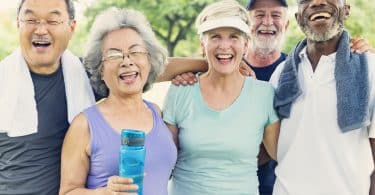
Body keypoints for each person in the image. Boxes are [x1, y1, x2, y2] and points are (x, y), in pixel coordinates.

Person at [163, 1, 280, 194]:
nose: (224, 46)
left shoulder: (264, 94)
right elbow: (164, 160)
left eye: (233, 37)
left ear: (245, 44)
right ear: (203, 44)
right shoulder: (180, 90)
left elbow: (280, 152)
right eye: (215, 37)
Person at [59, 7, 177, 195]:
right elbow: (67, 192)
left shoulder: (157, 112)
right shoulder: (84, 125)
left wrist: (205, 66)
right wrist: (103, 193)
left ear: (149, 60)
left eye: (136, 51)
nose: (127, 61)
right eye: (114, 55)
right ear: (100, 70)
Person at [269, 0, 375, 194]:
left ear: (346, 11)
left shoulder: (369, 68)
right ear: (298, 17)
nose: (317, 2)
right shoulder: (280, 74)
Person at [0, 0, 95, 194]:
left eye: (53, 20)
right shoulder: (4, 81)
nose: (41, 29)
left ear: (71, 27)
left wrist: (176, 70)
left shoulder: (87, 76)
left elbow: (142, 66)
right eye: (31, 19)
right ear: (18, 24)